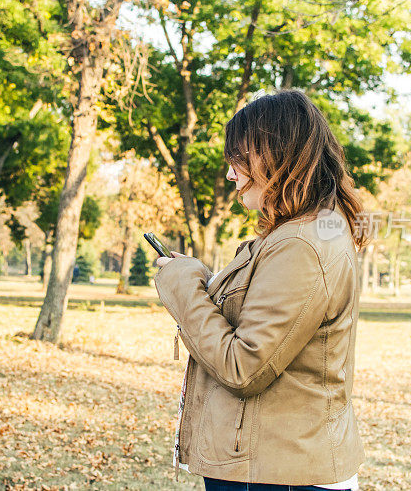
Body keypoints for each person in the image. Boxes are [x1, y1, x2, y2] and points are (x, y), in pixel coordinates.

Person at [153, 90, 371, 491]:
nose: (231, 174)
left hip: (277, 474)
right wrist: (198, 276)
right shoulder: (297, 235)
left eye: (239, 158)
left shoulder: (303, 244)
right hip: (268, 464)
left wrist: (182, 287)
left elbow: (243, 366)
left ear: (277, 154)